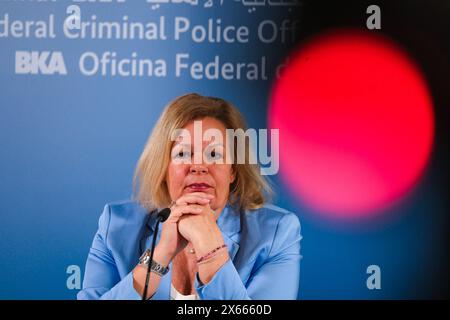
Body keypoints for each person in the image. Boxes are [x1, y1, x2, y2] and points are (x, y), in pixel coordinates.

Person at [77, 93, 302, 300]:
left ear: (233, 169)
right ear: (163, 168)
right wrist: (160, 255)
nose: (198, 166)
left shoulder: (276, 234)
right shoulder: (115, 225)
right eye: (183, 153)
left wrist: (211, 251)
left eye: (214, 154)